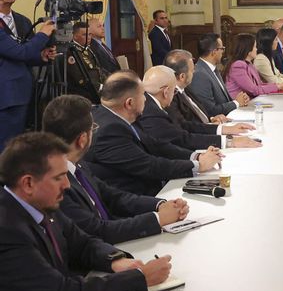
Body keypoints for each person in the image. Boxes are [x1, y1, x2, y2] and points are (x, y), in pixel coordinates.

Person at [0, 132, 172, 291]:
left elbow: (83, 243)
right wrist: (139, 278)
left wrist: (115, 260)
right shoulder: (7, 231)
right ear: (28, 183)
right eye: (59, 178)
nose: (67, 185)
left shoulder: (40, 202)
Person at [43, 95, 189, 244]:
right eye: (93, 128)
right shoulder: (55, 182)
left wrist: (160, 205)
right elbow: (97, 231)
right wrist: (158, 219)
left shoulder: (77, 164)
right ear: (82, 140)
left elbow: (114, 197)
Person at [84, 71, 223, 196]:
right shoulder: (109, 131)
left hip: (150, 186)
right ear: (129, 103)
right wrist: (198, 166)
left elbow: (155, 145)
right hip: (137, 198)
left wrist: (197, 156)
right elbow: (150, 165)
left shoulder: (115, 115)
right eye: (142, 95)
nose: (145, 99)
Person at [138, 66, 261, 151]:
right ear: (166, 92)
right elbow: (182, 138)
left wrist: (223, 129)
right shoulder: (152, 111)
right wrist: (229, 142)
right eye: (173, 91)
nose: (174, 94)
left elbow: (185, 126)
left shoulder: (153, 102)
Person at [0, 0, 57, 150]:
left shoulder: (23, 20)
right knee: (7, 146)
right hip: (7, 94)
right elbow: (20, 52)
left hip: (23, 89)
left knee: (20, 143)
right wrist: (44, 33)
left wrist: (42, 56)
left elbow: (27, 54)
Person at [164, 49, 257, 140]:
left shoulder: (185, 89)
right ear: (182, 76)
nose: (194, 73)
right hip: (200, 140)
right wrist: (219, 129)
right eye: (192, 70)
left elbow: (198, 112)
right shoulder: (171, 97)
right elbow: (185, 127)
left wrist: (211, 119)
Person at [189, 33, 250, 117]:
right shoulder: (200, 74)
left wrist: (240, 100)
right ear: (214, 52)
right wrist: (236, 103)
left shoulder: (212, 69)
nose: (223, 52)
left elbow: (223, 101)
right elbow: (210, 110)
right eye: (222, 49)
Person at [224, 33, 283, 98]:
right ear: (248, 50)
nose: (257, 49)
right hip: (239, 107)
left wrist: (280, 85)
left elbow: (259, 85)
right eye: (254, 47)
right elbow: (254, 90)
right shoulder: (238, 65)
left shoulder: (249, 64)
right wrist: (279, 86)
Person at [65, 22, 106, 104]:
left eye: (90, 34)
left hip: (95, 89)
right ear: (75, 36)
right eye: (84, 35)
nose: (88, 37)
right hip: (83, 94)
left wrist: (113, 80)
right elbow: (80, 78)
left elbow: (98, 69)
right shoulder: (71, 52)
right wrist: (100, 87)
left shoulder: (88, 49)